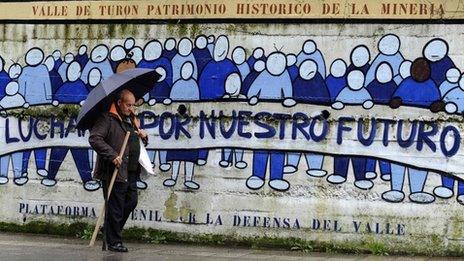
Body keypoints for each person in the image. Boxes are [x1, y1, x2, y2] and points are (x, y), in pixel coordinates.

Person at [89, 89, 148, 252]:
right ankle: (114, 241)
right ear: (119, 102)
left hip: (131, 170)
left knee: (131, 201)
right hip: (113, 169)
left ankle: (108, 229)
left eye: (133, 105)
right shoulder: (107, 119)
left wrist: (143, 137)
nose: (131, 108)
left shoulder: (132, 120)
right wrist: (112, 155)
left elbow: (134, 144)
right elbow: (95, 138)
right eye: (128, 105)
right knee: (115, 206)